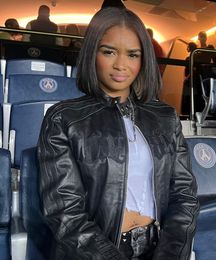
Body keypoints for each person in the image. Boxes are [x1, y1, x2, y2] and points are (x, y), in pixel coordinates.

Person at [38, 7, 199, 260]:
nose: (121, 65)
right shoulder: (64, 118)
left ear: (143, 59)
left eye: (133, 55)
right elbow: (65, 213)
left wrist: (170, 254)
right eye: (109, 51)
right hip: (96, 253)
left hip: (160, 248)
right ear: (93, 53)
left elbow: (184, 196)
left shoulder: (166, 117)